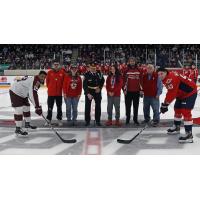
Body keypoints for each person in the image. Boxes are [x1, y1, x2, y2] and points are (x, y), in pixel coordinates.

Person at [157, 68, 197, 143]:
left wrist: (165, 105)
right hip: (181, 94)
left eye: (161, 73)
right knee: (177, 109)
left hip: (190, 93)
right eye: (158, 74)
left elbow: (172, 93)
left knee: (186, 112)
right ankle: (176, 127)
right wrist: (165, 104)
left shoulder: (170, 78)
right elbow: (171, 91)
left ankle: (189, 134)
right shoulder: (167, 77)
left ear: (166, 72)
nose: (160, 76)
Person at [9, 71, 47, 136]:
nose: (43, 78)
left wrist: (37, 106)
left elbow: (31, 94)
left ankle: (27, 124)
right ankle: (18, 129)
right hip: (15, 92)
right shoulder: (35, 81)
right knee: (19, 109)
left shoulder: (36, 81)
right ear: (38, 75)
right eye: (42, 76)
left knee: (27, 107)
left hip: (23, 93)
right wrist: (37, 107)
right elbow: (32, 95)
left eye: (44, 77)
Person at [123, 57, 143, 125]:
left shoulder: (139, 70)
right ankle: (127, 119)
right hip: (128, 91)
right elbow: (124, 81)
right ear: (129, 62)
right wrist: (124, 89)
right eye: (131, 61)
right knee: (128, 106)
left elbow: (141, 81)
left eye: (133, 61)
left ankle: (135, 119)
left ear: (135, 62)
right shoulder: (126, 70)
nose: (132, 62)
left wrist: (141, 90)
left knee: (136, 106)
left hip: (136, 91)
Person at [45, 59, 65, 126]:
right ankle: (48, 119)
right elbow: (47, 82)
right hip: (51, 94)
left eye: (57, 64)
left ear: (59, 65)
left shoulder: (62, 72)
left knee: (59, 107)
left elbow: (63, 83)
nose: (56, 66)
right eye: (55, 65)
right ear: (53, 65)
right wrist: (51, 88)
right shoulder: (49, 72)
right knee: (50, 107)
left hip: (59, 94)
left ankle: (59, 119)